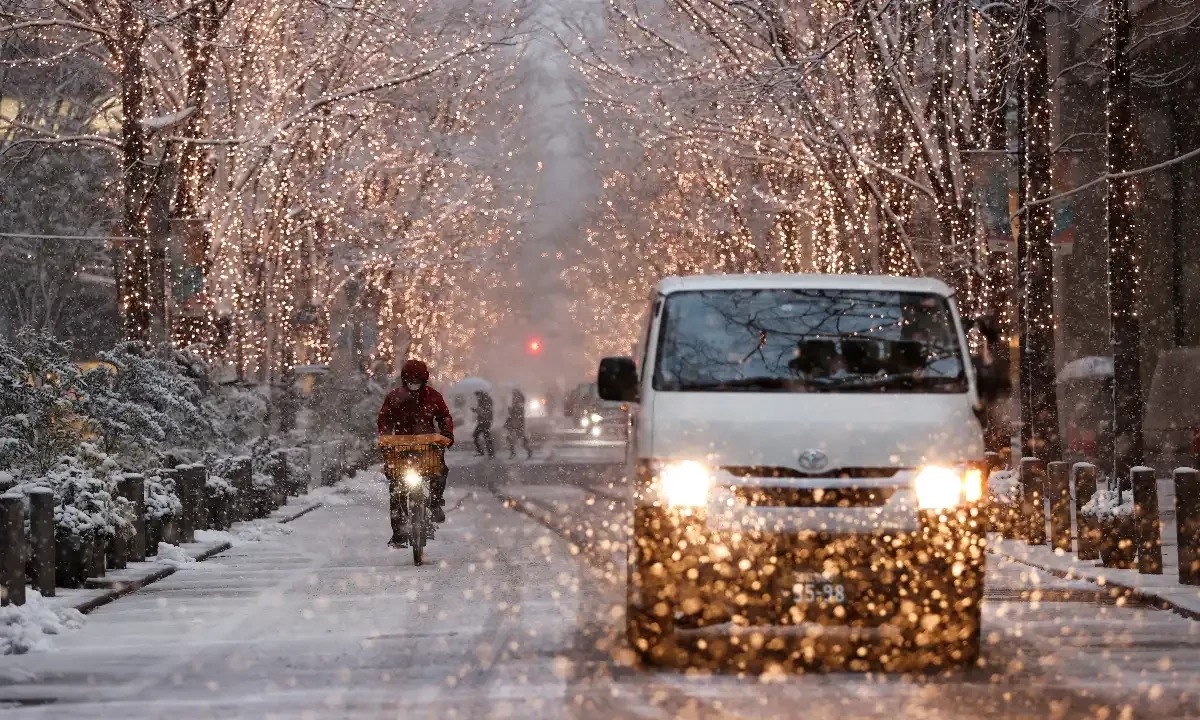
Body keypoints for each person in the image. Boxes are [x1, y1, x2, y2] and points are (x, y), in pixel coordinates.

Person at [377, 359, 454, 548]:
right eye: (410, 380)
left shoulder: (433, 397)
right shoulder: (394, 397)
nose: (413, 384)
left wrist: (446, 434)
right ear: (404, 380)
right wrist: (385, 438)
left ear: (424, 380)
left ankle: (435, 503)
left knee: (440, 470)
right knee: (396, 489)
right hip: (401, 447)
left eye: (417, 380)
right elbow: (384, 418)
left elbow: (444, 416)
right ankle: (398, 534)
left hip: (427, 446)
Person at [504, 388, 534, 460]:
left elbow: (518, 414)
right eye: (513, 394)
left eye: (514, 394)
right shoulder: (517, 402)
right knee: (511, 438)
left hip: (517, 423)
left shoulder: (519, 403)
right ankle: (514, 452)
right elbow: (515, 413)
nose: (513, 396)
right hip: (514, 423)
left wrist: (511, 411)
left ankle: (527, 450)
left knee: (517, 438)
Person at [472, 390, 495, 458]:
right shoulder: (482, 401)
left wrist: (477, 411)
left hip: (486, 422)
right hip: (483, 422)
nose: (477, 397)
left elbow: (486, 412)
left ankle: (488, 452)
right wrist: (477, 410)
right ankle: (487, 452)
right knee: (484, 436)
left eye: (477, 396)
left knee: (485, 436)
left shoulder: (486, 401)